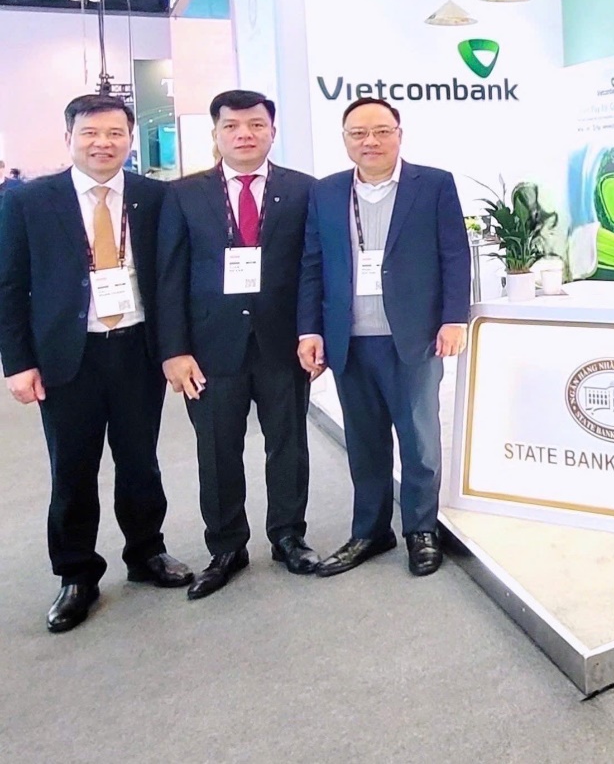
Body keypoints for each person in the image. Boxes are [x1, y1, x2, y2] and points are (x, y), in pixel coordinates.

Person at [0, 95, 192, 633]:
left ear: (130, 139)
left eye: (114, 133)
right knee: (73, 468)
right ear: (69, 138)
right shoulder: (29, 201)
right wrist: (17, 362)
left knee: (140, 460)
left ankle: (147, 552)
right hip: (68, 356)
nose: (102, 143)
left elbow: (170, 278)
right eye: (89, 133)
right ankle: (76, 573)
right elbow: (9, 286)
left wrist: (174, 348)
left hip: (136, 349)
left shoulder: (156, 197)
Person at [156, 90, 320, 600]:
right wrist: (174, 350)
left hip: (281, 343)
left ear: (273, 131)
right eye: (231, 126)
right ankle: (227, 547)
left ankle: (288, 535)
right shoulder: (183, 195)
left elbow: (312, 269)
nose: (244, 134)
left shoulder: (303, 190)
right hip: (209, 349)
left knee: (288, 444)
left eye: (255, 124)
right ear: (216, 134)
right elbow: (169, 277)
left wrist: (312, 331)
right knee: (216, 450)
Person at [297, 97, 470, 578]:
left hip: (412, 336)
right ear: (345, 139)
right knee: (364, 442)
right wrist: (310, 329)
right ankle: (371, 530)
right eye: (358, 133)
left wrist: (454, 318)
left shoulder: (433, 184)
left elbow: (455, 255)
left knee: (419, 441)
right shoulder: (327, 191)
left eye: (380, 131)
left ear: (399, 134)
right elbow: (312, 264)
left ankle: (421, 529)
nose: (369, 141)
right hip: (349, 339)